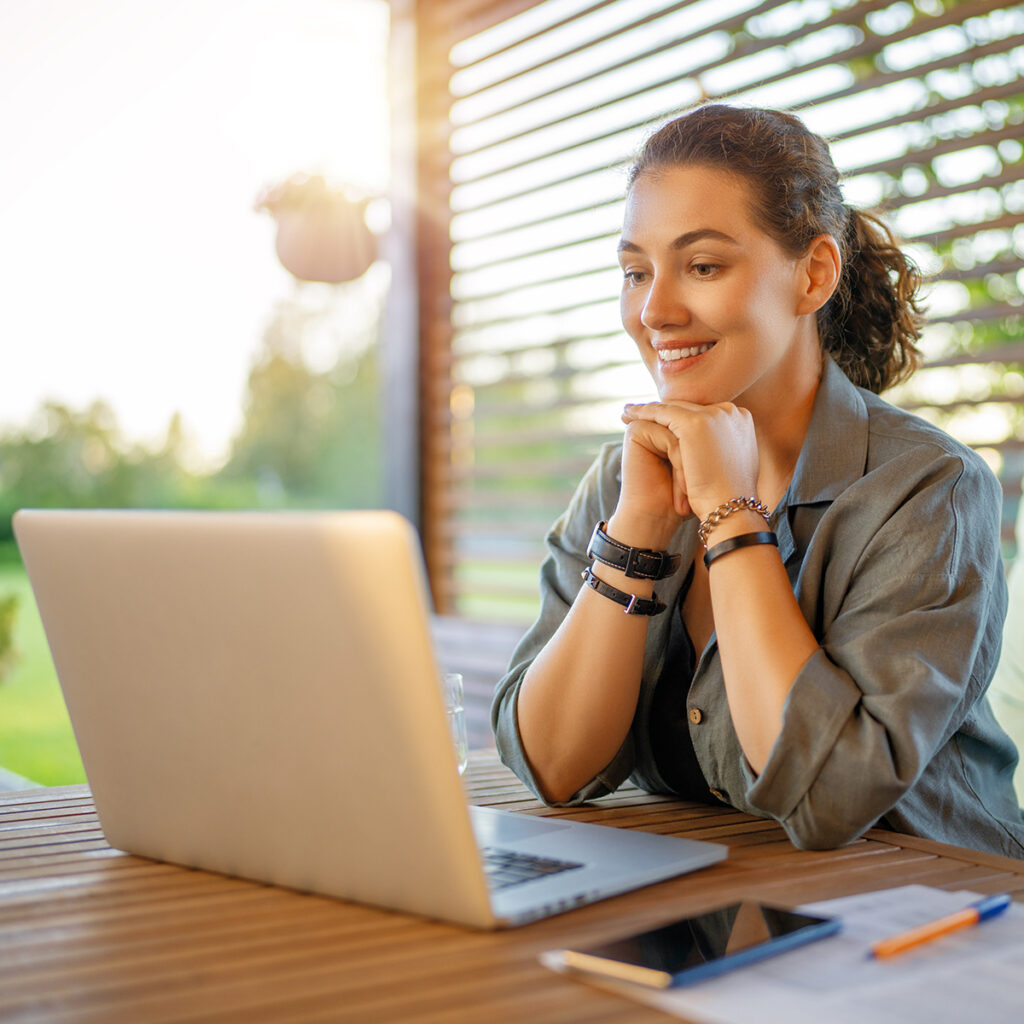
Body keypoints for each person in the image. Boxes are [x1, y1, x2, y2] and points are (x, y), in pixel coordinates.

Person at [491, 104, 1024, 858]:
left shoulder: (926, 487)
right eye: (635, 272)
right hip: (720, 902)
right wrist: (640, 529)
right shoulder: (627, 476)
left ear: (813, 275)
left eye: (702, 266)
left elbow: (830, 797)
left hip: (930, 910)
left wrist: (732, 516)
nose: (654, 311)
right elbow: (549, 764)